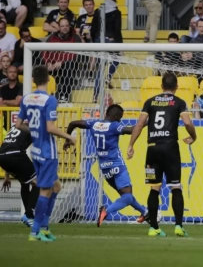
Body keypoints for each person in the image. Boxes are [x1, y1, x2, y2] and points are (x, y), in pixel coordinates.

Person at [127, 73, 197, 237]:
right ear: (176, 87)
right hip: (170, 147)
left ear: (161, 86)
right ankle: (178, 226)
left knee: (154, 188)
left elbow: (139, 124)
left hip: (152, 148)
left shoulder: (150, 102)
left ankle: (154, 228)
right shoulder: (179, 102)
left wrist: (131, 144)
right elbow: (187, 122)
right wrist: (194, 137)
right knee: (176, 187)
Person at [15, 65, 76, 242]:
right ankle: (35, 232)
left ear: (33, 79)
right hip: (48, 152)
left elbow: (18, 125)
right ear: (49, 79)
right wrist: (69, 136)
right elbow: (50, 128)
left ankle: (45, 227)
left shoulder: (26, 99)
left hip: (36, 151)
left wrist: (34, 131)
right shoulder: (49, 100)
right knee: (45, 190)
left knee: (56, 186)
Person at [63, 104, 148, 226]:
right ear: (115, 116)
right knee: (127, 197)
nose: (120, 121)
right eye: (119, 118)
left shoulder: (94, 124)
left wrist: (68, 139)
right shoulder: (114, 126)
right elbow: (131, 130)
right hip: (117, 166)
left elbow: (72, 123)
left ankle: (144, 212)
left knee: (126, 196)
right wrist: (146, 122)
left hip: (105, 169)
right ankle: (106, 211)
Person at [0, 124, 39, 228]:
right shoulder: (33, 127)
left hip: (2, 157)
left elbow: (9, 145)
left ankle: (28, 216)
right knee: (38, 182)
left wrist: (7, 175)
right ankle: (29, 215)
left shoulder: (15, 126)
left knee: (25, 183)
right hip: (16, 155)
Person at [91, 0, 122, 103]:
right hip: (111, 39)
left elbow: (93, 28)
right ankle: (108, 77)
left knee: (100, 69)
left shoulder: (98, 10)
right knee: (117, 59)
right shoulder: (116, 12)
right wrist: (120, 45)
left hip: (99, 40)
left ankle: (95, 96)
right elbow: (117, 30)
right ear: (115, 1)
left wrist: (95, 41)